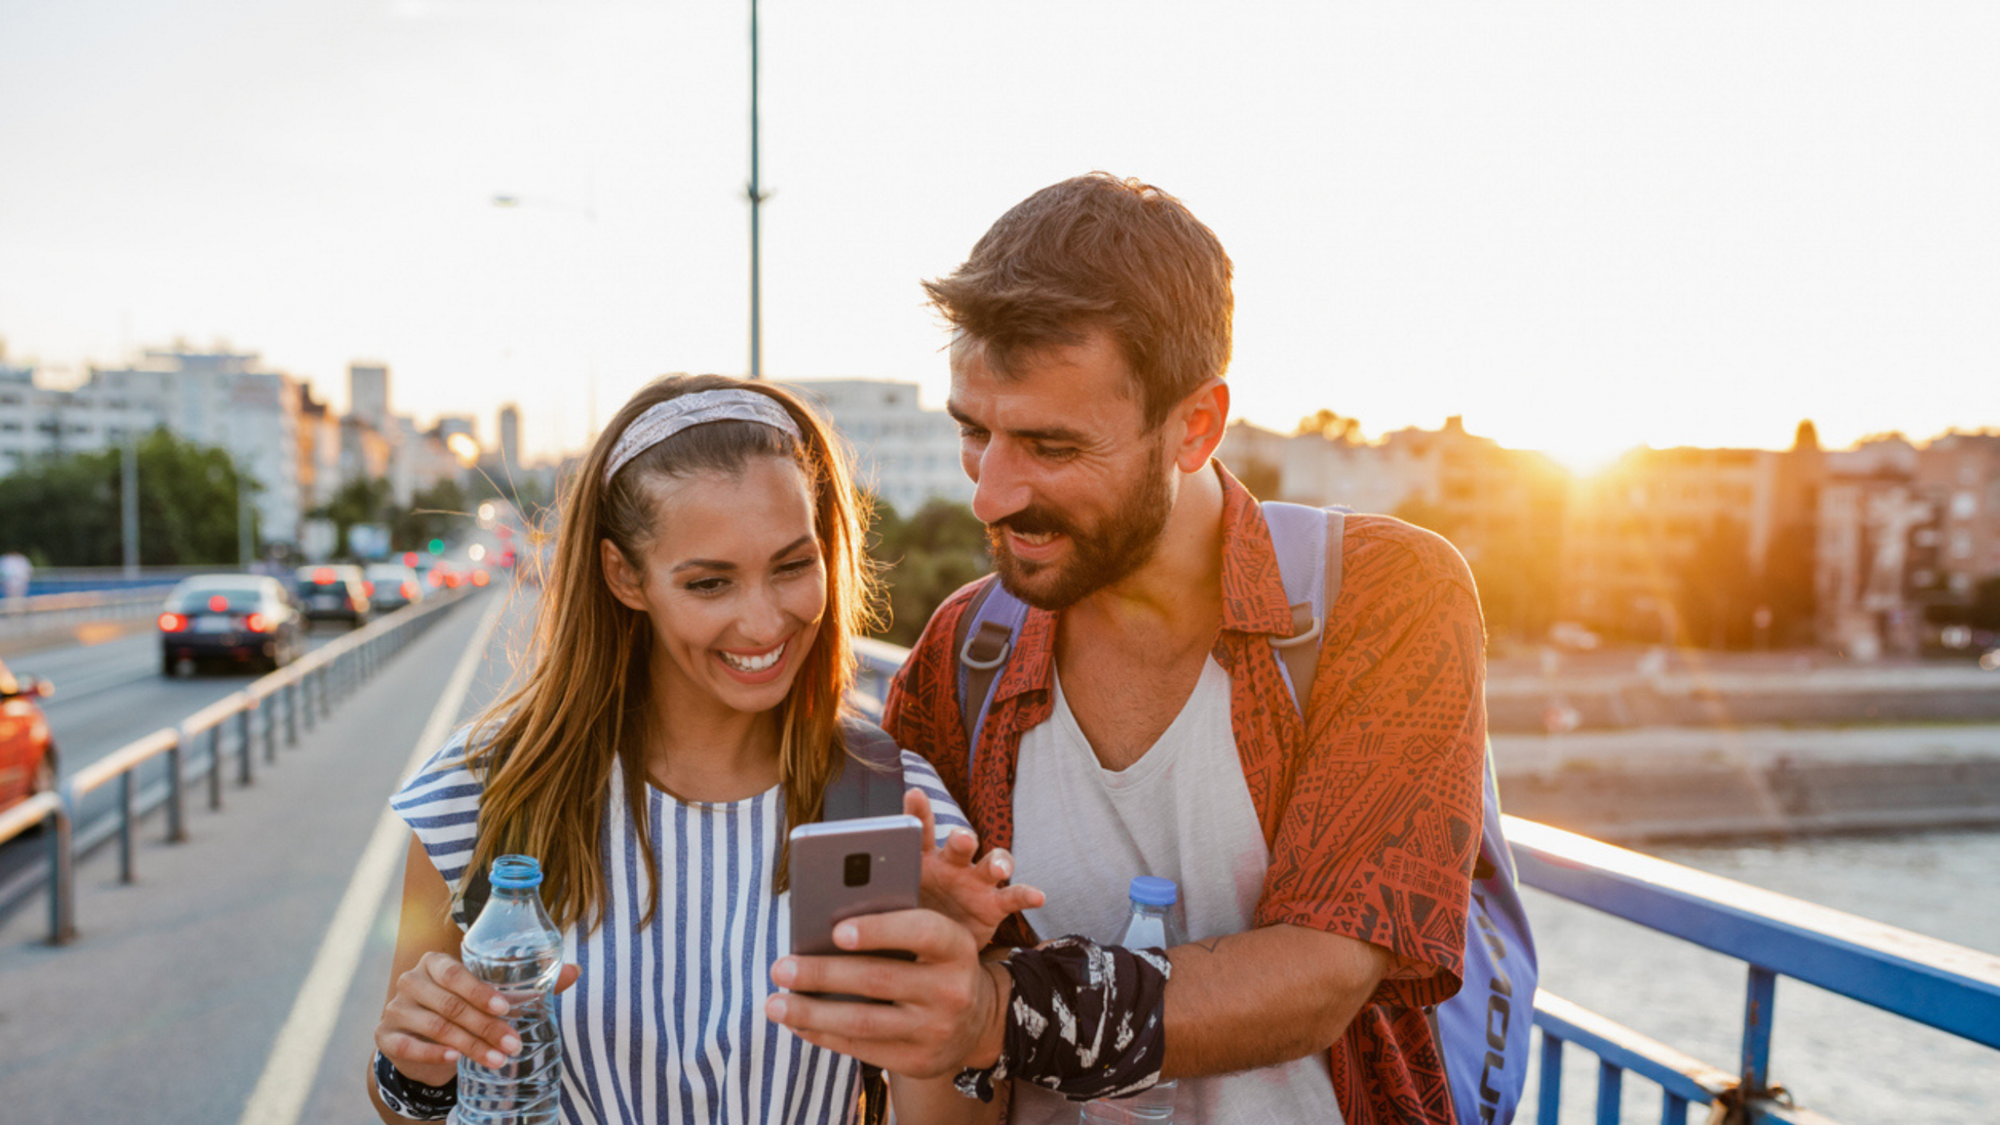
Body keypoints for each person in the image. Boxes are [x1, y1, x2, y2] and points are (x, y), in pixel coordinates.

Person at [765, 174, 1488, 1124]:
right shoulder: (959, 654)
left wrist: (996, 1007)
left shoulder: (1385, 597)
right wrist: (929, 965)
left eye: (1051, 448)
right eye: (975, 433)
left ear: (1195, 425)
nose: (991, 494)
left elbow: (1324, 969)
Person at [370, 375, 1042, 1124]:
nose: (763, 623)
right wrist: (414, 1067)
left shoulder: (895, 808)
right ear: (626, 577)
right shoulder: (484, 791)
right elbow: (414, 1100)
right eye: (711, 582)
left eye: (792, 566)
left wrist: (944, 991)